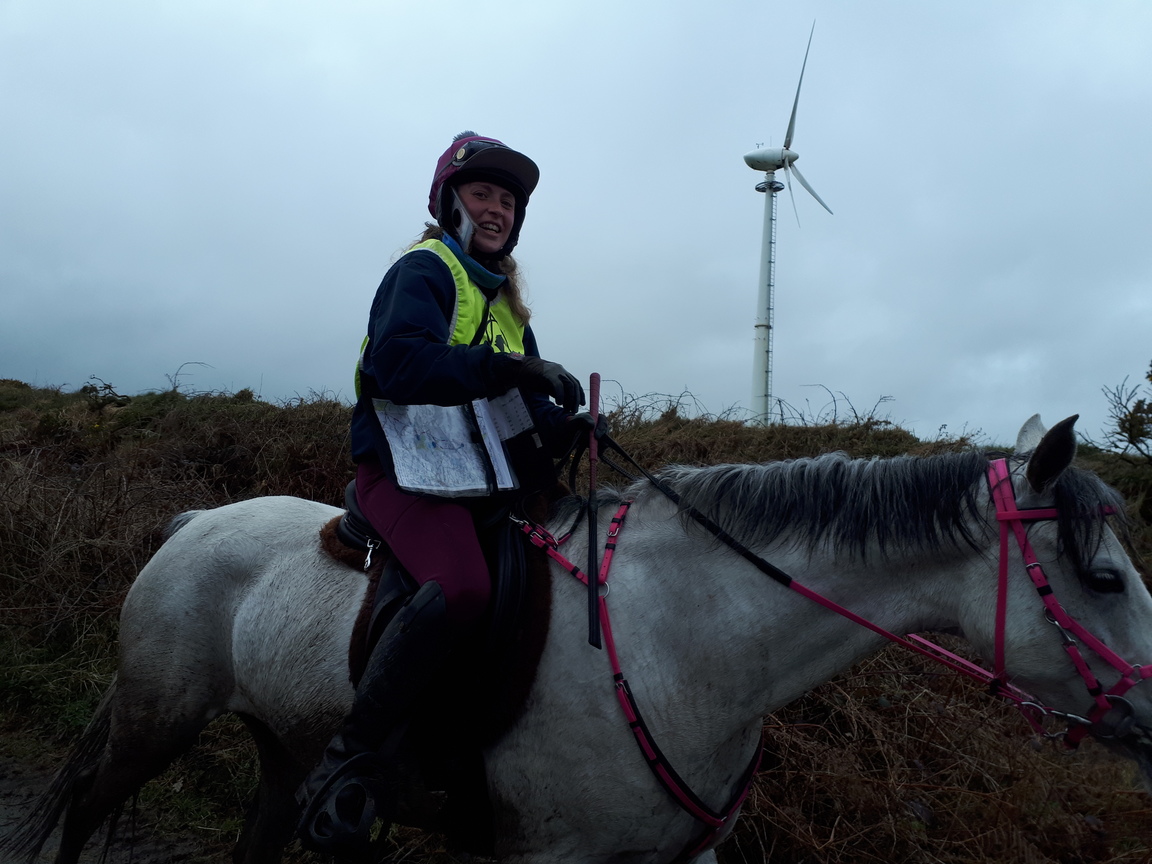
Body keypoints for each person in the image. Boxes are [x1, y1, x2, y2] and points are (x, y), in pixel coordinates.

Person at [297, 132, 589, 855]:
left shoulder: (510, 309)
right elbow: (398, 363)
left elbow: (515, 412)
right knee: (460, 589)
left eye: (508, 201)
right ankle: (346, 767)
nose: (496, 209)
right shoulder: (424, 270)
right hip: (403, 472)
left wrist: (564, 425)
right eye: (483, 193)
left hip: (481, 479)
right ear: (449, 201)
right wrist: (506, 371)